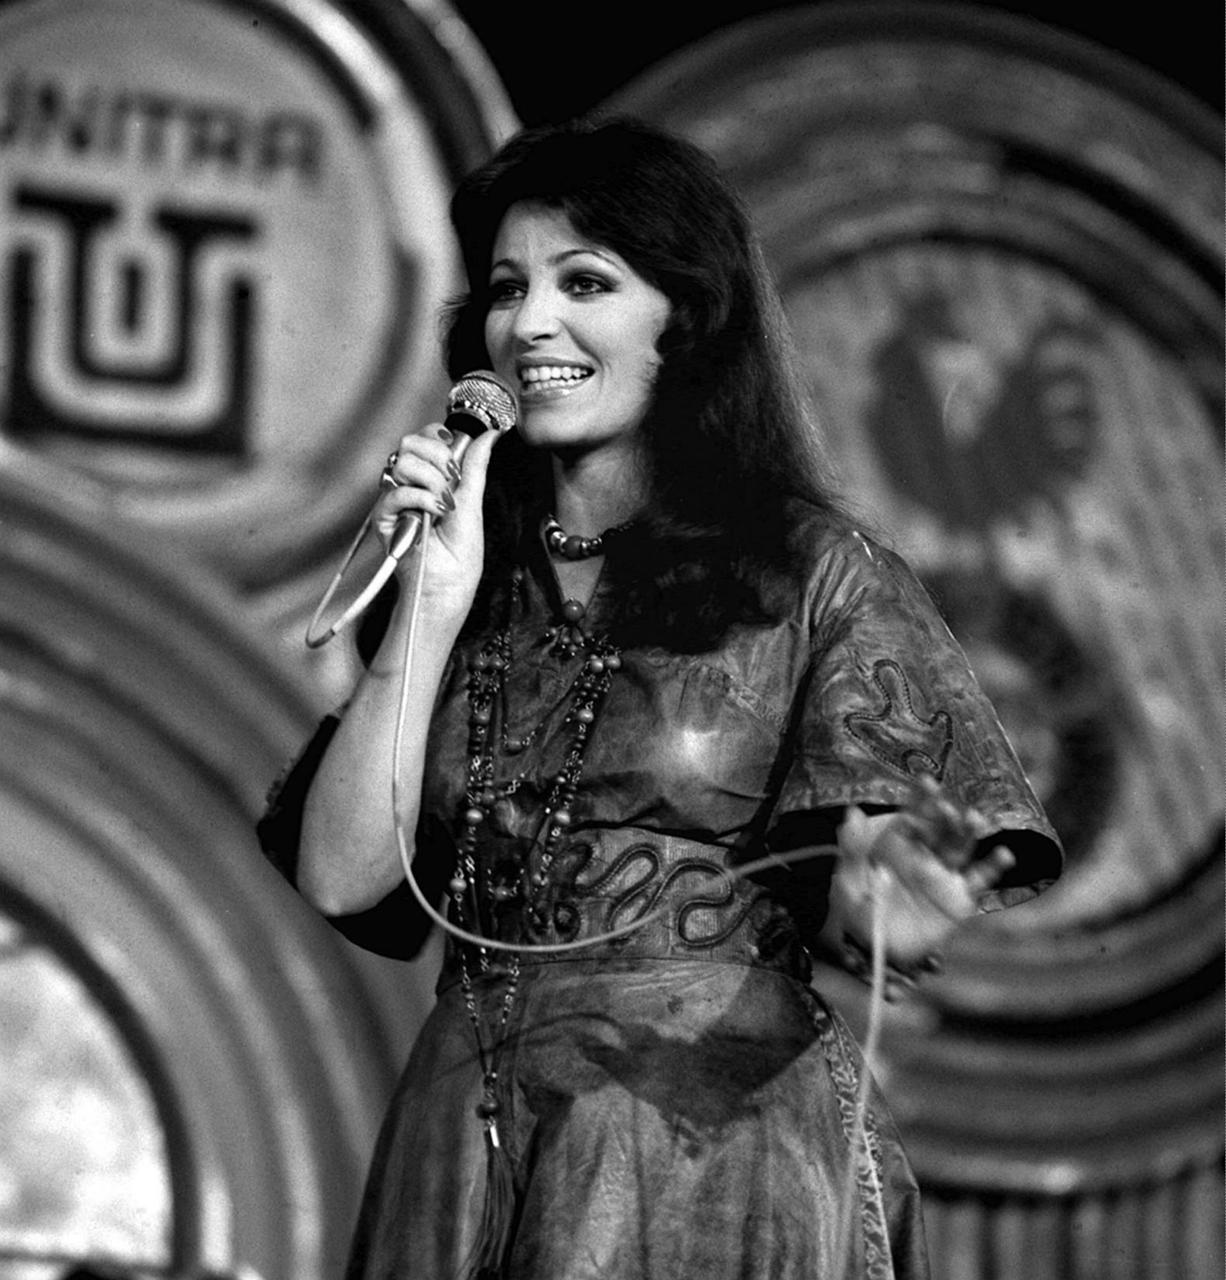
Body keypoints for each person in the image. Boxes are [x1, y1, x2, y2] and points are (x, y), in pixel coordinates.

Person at [258, 117, 1062, 1280]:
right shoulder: (467, 571)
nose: (529, 323)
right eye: (506, 288)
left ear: (682, 318)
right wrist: (430, 604)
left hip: (702, 1146)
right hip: (459, 1145)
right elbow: (342, 874)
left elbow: (877, 885)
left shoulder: (811, 570)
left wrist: (893, 892)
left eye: (583, 282)